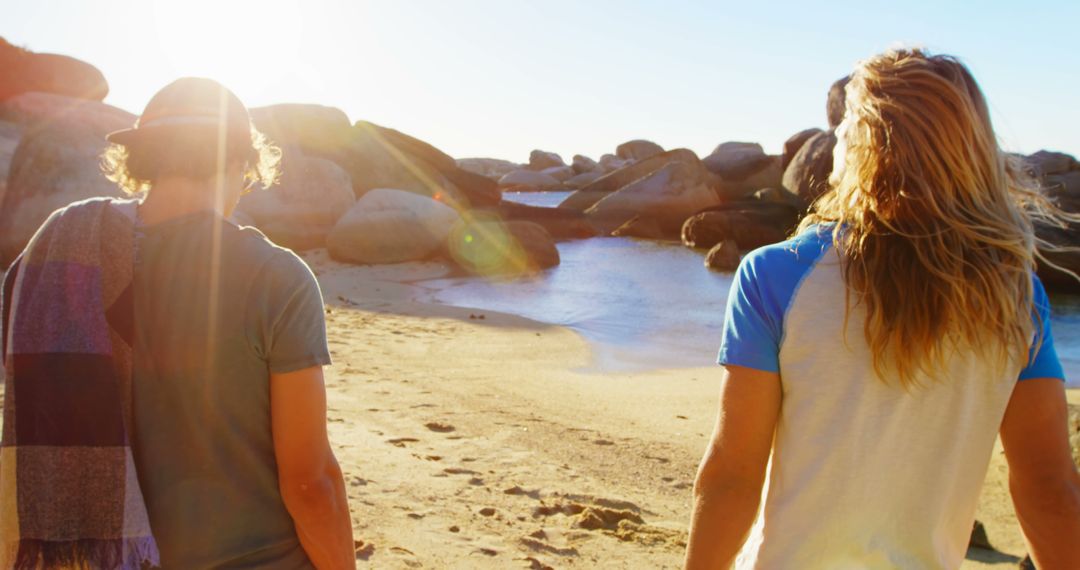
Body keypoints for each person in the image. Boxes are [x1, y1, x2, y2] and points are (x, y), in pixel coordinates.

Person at [684, 49, 1080, 569]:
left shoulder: (775, 276)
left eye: (845, 125)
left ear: (861, 144)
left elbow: (733, 475)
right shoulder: (1014, 297)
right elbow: (1048, 486)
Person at [2, 78, 355, 568]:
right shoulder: (278, 278)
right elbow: (309, 482)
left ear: (142, 160)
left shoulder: (52, 264)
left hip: (112, 558)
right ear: (240, 163)